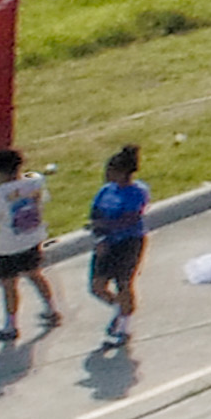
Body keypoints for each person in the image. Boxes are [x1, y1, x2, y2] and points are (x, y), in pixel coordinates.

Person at [0, 150, 57, 345]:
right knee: (35, 274)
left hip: (8, 245)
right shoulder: (34, 182)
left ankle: (10, 326)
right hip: (32, 238)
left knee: (8, 284)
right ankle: (51, 309)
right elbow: (43, 198)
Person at [79, 146, 144, 352]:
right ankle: (120, 309)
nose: (107, 175)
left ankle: (123, 329)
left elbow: (130, 219)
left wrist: (104, 227)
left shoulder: (137, 192)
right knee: (97, 286)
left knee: (123, 283)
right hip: (106, 241)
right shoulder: (105, 191)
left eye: (111, 171)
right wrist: (100, 236)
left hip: (128, 242)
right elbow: (95, 213)